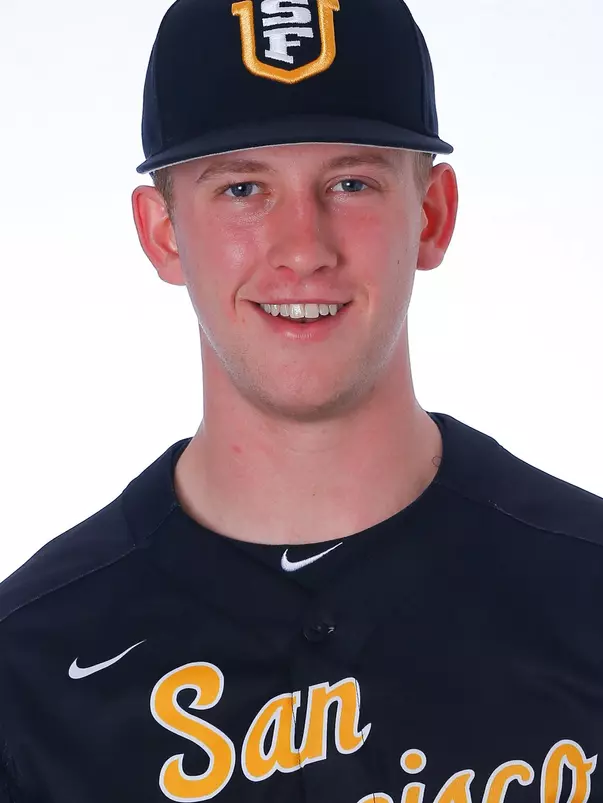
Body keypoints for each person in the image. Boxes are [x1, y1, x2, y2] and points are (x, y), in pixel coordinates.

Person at [1, 0, 603, 800]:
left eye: (350, 182)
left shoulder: (585, 596)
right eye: (243, 187)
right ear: (162, 233)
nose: (302, 249)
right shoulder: (30, 667)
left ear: (431, 215)